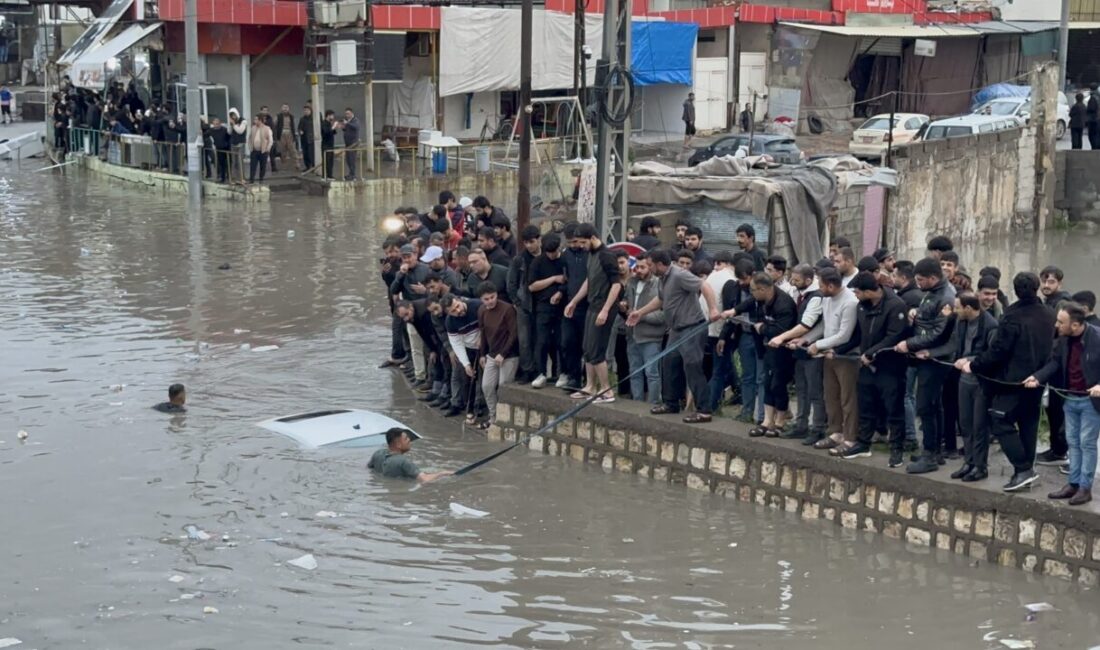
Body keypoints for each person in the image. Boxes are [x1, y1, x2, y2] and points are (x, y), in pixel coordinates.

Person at [961, 272, 1056, 492]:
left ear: (1014, 290)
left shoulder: (1012, 315)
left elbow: (999, 351)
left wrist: (974, 365)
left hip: (1012, 382)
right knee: (1029, 424)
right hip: (1039, 379)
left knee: (999, 420)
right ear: (1037, 288)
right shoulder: (1050, 314)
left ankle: (1023, 469)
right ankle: (1024, 471)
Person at [628, 248, 720, 423]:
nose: (648, 268)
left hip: (691, 327)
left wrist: (713, 308)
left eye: (649, 265)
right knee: (669, 363)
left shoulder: (679, 275)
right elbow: (661, 300)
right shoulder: (662, 279)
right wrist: (640, 312)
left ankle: (704, 409)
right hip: (676, 330)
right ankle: (671, 403)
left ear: (660, 264)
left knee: (692, 366)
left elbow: (704, 286)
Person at [1025, 302, 1100, 506]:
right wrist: (1037, 377)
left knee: (1087, 443)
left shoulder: (1097, 338)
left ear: (1075, 325)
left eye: (1061, 322)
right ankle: (1073, 484)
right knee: (1073, 442)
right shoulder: (1063, 340)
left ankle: (1085, 487)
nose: (1056, 325)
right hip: (1071, 398)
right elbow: (1055, 363)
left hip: (1091, 402)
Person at [833, 272, 909, 462]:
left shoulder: (895, 305)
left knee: (894, 409)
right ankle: (863, 443)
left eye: (858, 292)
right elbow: (859, 335)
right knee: (866, 406)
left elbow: (894, 336)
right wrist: (838, 350)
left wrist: (871, 353)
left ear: (869, 291)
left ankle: (896, 448)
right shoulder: (862, 307)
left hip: (890, 367)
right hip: (867, 367)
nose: (855, 296)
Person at [895, 258, 956, 474]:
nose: (917, 283)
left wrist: (909, 343)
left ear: (933, 278)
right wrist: (916, 316)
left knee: (925, 407)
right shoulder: (931, 294)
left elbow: (939, 332)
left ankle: (930, 454)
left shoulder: (946, 298)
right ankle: (934, 451)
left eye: (921, 280)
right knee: (933, 405)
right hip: (924, 357)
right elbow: (928, 322)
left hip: (935, 360)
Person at [933, 291, 998, 482]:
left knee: (980, 426)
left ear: (969, 308)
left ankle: (980, 465)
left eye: (958, 307)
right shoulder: (961, 323)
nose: (955, 310)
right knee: (966, 423)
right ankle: (968, 462)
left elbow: (992, 356)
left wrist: (969, 360)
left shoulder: (991, 326)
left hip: (981, 381)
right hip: (963, 379)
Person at [725, 273, 798, 436]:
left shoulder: (784, 304)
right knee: (767, 382)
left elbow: (782, 330)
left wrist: (762, 328)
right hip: (768, 347)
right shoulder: (762, 297)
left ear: (763, 289)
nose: (751, 293)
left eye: (753, 290)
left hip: (784, 348)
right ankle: (767, 420)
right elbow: (750, 301)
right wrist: (734, 310)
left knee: (778, 385)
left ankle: (780, 421)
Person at [565, 223, 622, 404]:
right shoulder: (591, 255)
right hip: (592, 304)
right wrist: (574, 301)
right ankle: (589, 386)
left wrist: (605, 310)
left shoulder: (606, 256)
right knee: (587, 348)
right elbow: (589, 281)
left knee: (597, 350)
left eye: (583, 242)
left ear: (592, 238)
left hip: (603, 306)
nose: (581, 246)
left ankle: (606, 390)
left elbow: (616, 284)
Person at [768, 264, 825, 444]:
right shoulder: (798, 294)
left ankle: (817, 428)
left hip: (814, 349)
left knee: (815, 391)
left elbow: (807, 324)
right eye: (792, 278)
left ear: (808, 280)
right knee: (801, 389)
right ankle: (801, 424)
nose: (792, 282)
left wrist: (783, 337)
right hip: (798, 349)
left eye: (797, 280)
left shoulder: (816, 297)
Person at [806, 268, 859, 450]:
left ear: (831, 285)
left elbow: (844, 335)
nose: (819, 289)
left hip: (845, 356)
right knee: (831, 396)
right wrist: (807, 339)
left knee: (847, 398)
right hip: (827, 354)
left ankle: (850, 437)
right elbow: (824, 325)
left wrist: (818, 345)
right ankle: (835, 432)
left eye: (821, 285)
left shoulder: (850, 302)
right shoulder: (827, 299)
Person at [623, 253, 665, 404]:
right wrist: (625, 307)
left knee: (652, 373)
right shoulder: (631, 282)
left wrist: (641, 316)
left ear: (650, 267)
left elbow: (663, 315)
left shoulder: (659, 284)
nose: (639, 270)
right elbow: (628, 302)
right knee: (634, 372)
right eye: (637, 267)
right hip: (632, 334)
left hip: (651, 336)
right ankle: (637, 402)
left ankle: (653, 403)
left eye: (642, 267)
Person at [528, 233, 566, 389]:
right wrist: (553, 279)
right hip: (543, 306)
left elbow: (568, 280)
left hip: (562, 306)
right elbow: (531, 286)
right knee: (542, 341)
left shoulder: (564, 260)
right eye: (548, 252)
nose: (551, 255)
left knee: (561, 341)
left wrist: (560, 291)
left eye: (554, 252)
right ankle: (541, 373)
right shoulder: (538, 262)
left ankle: (564, 372)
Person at [477, 282, 519, 426]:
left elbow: (513, 334)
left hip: (509, 355)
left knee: (503, 386)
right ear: (482, 300)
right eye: (486, 299)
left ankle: (505, 418)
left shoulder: (507, 309)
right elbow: (482, 333)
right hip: (491, 354)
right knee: (487, 386)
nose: (490, 301)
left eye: (492, 297)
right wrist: (482, 354)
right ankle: (493, 416)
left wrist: (503, 353)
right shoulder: (482, 311)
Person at [703, 251, 739, 412]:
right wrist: (725, 334)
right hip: (719, 331)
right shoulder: (730, 280)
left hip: (708, 327)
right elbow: (729, 310)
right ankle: (710, 405)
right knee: (719, 370)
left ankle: (739, 391)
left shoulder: (712, 276)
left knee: (725, 365)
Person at [442, 294, 484, 421]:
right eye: (453, 311)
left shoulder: (476, 305)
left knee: (483, 379)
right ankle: (469, 407)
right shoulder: (450, 322)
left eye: (457, 306)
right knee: (467, 379)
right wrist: (466, 364)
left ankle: (480, 407)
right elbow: (456, 344)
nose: (458, 311)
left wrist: (483, 336)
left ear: (459, 301)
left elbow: (489, 322)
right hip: (468, 348)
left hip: (485, 345)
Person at [558, 222, 589, 391]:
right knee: (568, 342)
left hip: (586, 305)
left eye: (576, 241)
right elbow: (565, 277)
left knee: (586, 344)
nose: (574, 245)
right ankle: (573, 376)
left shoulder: (589, 254)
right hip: (569, 304)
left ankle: (586, 378)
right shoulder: (566, 255)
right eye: (570, 242)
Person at [508, 225, 541, 383]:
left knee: (540, 339)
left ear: (538, 240)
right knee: (524, 340)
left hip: (542, 304)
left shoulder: (546, 256)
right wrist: (516, 301)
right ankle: (527, 370)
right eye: (526, 242)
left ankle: (540, 370)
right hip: (524, 303)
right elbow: (511, 282)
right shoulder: (520, 259)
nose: (529, 246)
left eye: (532, 242)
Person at [368, 427, 453, 483]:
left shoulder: (378, 454)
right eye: (406, 439)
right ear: (398, 445)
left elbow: (368, 470)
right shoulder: (403, 461)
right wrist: (442, 474)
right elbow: (425, 480)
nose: (409, 440)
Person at [248, 114, 273, 183]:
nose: (254, 121)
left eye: (256, 119)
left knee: (263, 166)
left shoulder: (267, 128)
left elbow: (270, 140)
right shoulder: (253, 128)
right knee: (252, 166)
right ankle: (251, 179)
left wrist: (268, 149)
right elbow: (250, 138)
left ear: (260, 120)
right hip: (254, 151)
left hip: (263, 151)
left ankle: (261, 178)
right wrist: (250, 147)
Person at [273, 104, 298, 171]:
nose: (285, 109)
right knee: (283, 151)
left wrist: (295, 135)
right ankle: (284, 166)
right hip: (281, 134)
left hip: (290, 134)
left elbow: (294, 126)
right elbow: (274, 125)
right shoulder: (278, 116)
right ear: (281, 109)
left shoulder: (291, 116)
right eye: (284, 107)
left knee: (293, 150)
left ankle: (296, 165)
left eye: (286, 107)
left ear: (288, 109)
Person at [227, 109, 248, 182]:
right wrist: (230, 125)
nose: (233, 117)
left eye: (234, 115)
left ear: (237, 114)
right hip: (233, 143)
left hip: (240, 143)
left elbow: (240, 131)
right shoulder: (233, 122)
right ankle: (235, 178)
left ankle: (242, 178)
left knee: (240, 162)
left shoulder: (243, 121)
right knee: (234, 162)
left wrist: (234, 125)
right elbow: (229, 132)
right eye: (231, 115)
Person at [341, 108, 360, 180]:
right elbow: (346, 129)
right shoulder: (348, 121)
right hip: (347, 143)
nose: (347, 115)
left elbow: (356, 127)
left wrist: (347, 123)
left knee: (352, 159)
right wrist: (343, 127)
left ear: (352, 113)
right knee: (348, 159)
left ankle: (353, 174)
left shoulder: (355, 120)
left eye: (348, 113)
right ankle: (350, 173)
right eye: (346, 114)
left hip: (353, 143)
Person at [296, 105, 315, 171]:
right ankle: (307, 166)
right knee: (305, 154)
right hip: (304, 139)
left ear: (310, 111)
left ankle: (313, 166)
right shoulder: (302, 119)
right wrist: (300, 131)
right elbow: (299, 128)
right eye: (305, 110)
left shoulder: (314, 118)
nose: (306, 111)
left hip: (311, 139)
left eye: (307, 110)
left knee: (311, 154)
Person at [321, 110, 337, 178]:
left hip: (330, 144)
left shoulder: (329, 123)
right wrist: (333, 127)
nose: (333, 117)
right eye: (332, 115)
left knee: (330, 161)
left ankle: (329, 175)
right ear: (328, 115)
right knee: (326, 161)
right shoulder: (324, 123)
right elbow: (326, 132)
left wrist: (334, 128)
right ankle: (325, 176)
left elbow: (333, 133)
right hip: (326, 145)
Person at [1087, 83, 1099, 150]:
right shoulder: (1098, 96)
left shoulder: (1093, 98)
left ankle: (1094, 150)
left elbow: (1091, 108)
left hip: (1093, 119)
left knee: (1093, 136)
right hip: (1097, 119)